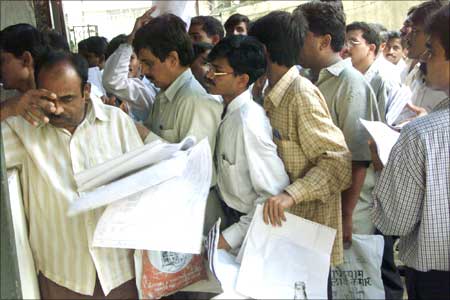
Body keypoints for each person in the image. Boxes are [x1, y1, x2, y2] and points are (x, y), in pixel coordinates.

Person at [2, 51, 142, 299]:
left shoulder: (117, 123)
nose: (56, 109)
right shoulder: (22, 130)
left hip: (121, 270)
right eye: (49, 98)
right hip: (64, 276)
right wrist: (12, 107)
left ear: (86, 91)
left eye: (67, 99)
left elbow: (142, 183)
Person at [249, 12, 352, 298]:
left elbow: (337, 161)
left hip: (307, 240)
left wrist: (291, 195)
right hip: (283, 237)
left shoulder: (300, 95)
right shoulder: (266, 92)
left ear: (264, 52)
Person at [372, 4, 449, 300]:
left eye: (432, 49)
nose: (425, 59)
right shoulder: (424, 129)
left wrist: (386, 166)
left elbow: (394, 220)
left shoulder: (423, 134)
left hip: (436, 280)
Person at [132, 13, 225, 233]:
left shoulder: (196, 100)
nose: (143, 72)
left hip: (196, 211)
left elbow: (196, 169)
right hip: (173, 205)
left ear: (173, 59)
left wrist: (143, 134)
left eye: (148, 63)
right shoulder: (164, 95)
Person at [204, 35, 289, 252]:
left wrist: (227, 240)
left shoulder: (249, 122)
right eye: (210, 67)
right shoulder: (223, 108)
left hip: (249, 231)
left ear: (242, 80)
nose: (209, 75)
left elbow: (272, 194)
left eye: (218, 71)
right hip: (227, 218)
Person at [102, 9, 159, 123]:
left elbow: (114, 80)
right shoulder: (104, 96)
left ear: (140, 61)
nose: (126, 64)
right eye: (119, 60)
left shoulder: (146, 91)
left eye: (131, 58)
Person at [395, 0, 446, 123]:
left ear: (432, 35)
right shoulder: (417, 73)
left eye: (415, 31)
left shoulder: (443, 82)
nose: (408, 37)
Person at [343, 21, 402, 123]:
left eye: (353, 42)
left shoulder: (385, 80)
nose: (346, 48)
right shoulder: (345, 76)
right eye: (344, 42)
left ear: (371, 48)